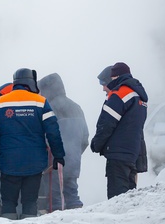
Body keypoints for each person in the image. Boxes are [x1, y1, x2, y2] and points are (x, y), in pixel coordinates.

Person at [0, 68, 65, 220]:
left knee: (8, 202)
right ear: (31, 83)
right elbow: (53, 132)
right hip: (35, 164)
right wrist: (59, 155)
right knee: (30, 201)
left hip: (9, 164)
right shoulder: (41, 102)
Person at [91, 62, 149, 199]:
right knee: (129, 199)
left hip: (118, 156)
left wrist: (96, 144)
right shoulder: (139, 96)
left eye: (104, 83)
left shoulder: (119, 94)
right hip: (132, 155)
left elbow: (106, 124)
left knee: (117, 199)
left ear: (114, 78)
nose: (104, 88)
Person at [37, 73, 89, 211]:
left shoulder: (48, 108)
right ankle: (78, 219)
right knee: (72, 195)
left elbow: (43, 137)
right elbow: (85, 138)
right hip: (73, 163)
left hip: (53, 164)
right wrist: (74, 154)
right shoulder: (76, 107)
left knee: (55, 199)